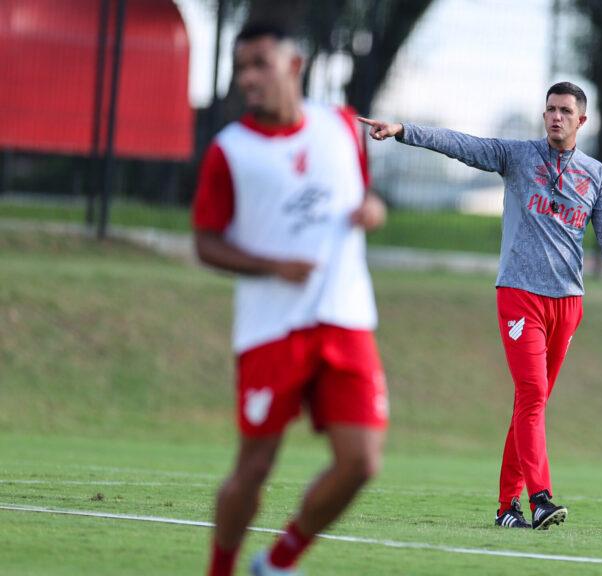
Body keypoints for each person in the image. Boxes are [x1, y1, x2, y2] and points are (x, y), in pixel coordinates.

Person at [358, 81, 602, 531]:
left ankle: (507, 508)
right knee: (531, 395)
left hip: (568, 302)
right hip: (519, 297)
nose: (556, 117)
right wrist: (404, 130)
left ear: (581, 120)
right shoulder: (518, 156)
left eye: (565, 111)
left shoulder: (595, 175)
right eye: (550, 109)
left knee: (533, 403)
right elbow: (464, 145)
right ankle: (540, 497)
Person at [192, 22, 389, 576]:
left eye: (259, 63)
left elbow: (364, 196)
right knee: (253, 467)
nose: (249, 78)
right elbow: (205, 243)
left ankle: (278, 563)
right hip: (271, 330)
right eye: (241, 68)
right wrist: (273, 265)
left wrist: (373, 211)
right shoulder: (230, 151)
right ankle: (220, 570)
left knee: (362, 462)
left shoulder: (343, 127)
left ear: (294, 64)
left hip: (346, 319)